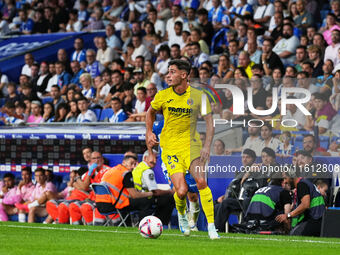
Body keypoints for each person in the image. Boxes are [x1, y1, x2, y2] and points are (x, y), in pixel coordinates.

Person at [145, 59, 219, 239]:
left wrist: (207, 146)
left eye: (172, 72)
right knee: (181, 191)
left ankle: (211, 227)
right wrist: (148, 132)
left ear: (184, 75)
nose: (168, 76)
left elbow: (210, 122)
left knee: (201, 181)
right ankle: (181, 214)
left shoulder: (199, 96)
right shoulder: (162, 95)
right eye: (168, 72)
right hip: (170, 148)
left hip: (192, 146)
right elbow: (150, 112)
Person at [132, 150, 175, 225]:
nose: (155, 161)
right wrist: (170, 191)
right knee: (169, 198)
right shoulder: (147, 171)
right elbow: (155, 192)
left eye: (156, 158)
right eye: (153, 158)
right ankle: (159, 223)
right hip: (144, 199)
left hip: (134, 199)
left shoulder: (138, 168)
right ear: (145, 158)